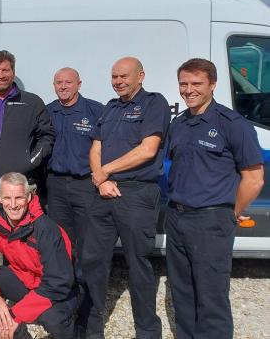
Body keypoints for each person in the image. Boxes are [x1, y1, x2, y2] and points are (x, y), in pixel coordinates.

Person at [165, 58, 264, 339]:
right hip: (177, 217)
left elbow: (254, 178)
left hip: (211, 220)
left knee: (211, 297)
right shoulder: (181, 123)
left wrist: (234, 210)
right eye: (184, 83)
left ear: (213, 85)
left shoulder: (233, 125)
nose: (189, 89)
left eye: (196, 83)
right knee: (182, 293)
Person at [81, 57, 169, 339]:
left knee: (139, 266)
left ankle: (147, 332)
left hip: (137, 194)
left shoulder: (155, 103)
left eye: (124, 76)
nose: (118, 81)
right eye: (114, 76)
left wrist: (105, 171)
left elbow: (148, 150)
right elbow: (96, 146)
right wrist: (100, 178)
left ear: (140, 76)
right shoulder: (110, 107)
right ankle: (91, 330)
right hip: (103, 192)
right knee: (93, 263)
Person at [0, 172, 76, 339]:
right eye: (7, 198)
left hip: (55, 289)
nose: (13, 205)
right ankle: (2, 332)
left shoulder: (45, 229)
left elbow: (58, 282)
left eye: (19, 198)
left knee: (55, 319)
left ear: (28, 197)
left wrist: (16, 314)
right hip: (24, 278)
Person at [0, 50, 55, 222]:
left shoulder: (32, 102)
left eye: (5, 70)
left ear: (13, 73)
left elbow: (47, 136)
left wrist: (30, 161)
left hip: (21, 187)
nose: (0, 75)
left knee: (24, 242)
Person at [45, 68, 103, 247]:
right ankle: (65, 275)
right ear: (54, 86)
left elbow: (107, 147)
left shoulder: (96, 111)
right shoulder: (47, 112)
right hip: (56, 185)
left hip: (85, 184)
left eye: (68, 82)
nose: (63, 87)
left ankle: (85, 275)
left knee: (87, 236)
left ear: (79, 84)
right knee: (59, 236)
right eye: (59, 83)